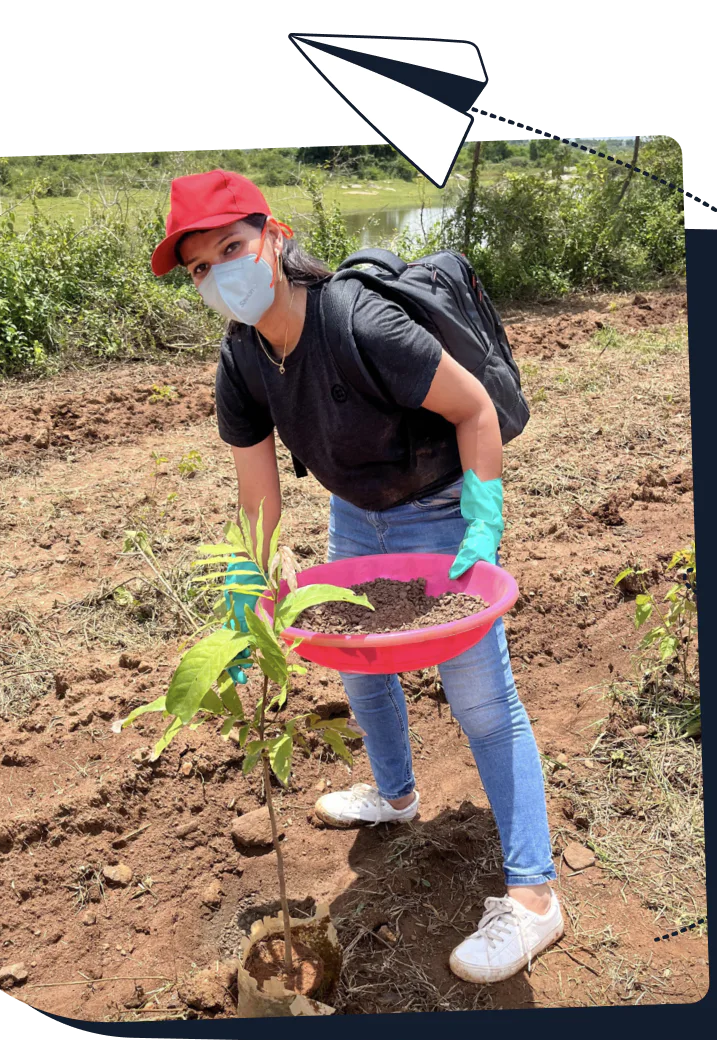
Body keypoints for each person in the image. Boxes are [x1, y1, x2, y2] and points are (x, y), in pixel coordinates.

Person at [151, 170, 561, 984]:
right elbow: (257, 499)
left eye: (231, 248)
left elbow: (475, 408)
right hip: (356, 515)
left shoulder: (358, 320)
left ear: (273, 237)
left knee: (482, 698)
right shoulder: (241, 362)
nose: (220, 275)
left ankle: (536, 895)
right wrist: (254, 591)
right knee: (359, 662)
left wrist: (480, 528)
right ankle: (395, 792)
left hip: (438, 503)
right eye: (200, 269)